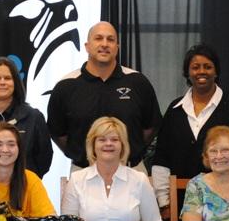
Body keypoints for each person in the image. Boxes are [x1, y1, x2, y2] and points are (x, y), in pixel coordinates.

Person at [152, 44, 229, 219]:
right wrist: (164, 203)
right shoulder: (174, 110)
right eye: (195, 67)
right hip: (182, 206)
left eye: (207, 67)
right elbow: (161, 158)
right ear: (187, 73)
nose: (201, 72)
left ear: (216, 72)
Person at [47, 21, 161, 173]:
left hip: (131, 170)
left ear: (117, 47)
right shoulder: (66, 86)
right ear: (87, 46)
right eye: (98, 38)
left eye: (110, 39)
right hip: (83, 171)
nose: (105, 44)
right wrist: (83, 156)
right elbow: (58, 133)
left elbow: (150, 127)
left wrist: (129, 152)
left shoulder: (137, 82)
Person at [61, 117, 162, 221]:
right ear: (93, 145)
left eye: (114, 139)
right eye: (102, 140)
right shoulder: (76, 180)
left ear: (123, 145)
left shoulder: (140, 179)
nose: (108, 144)